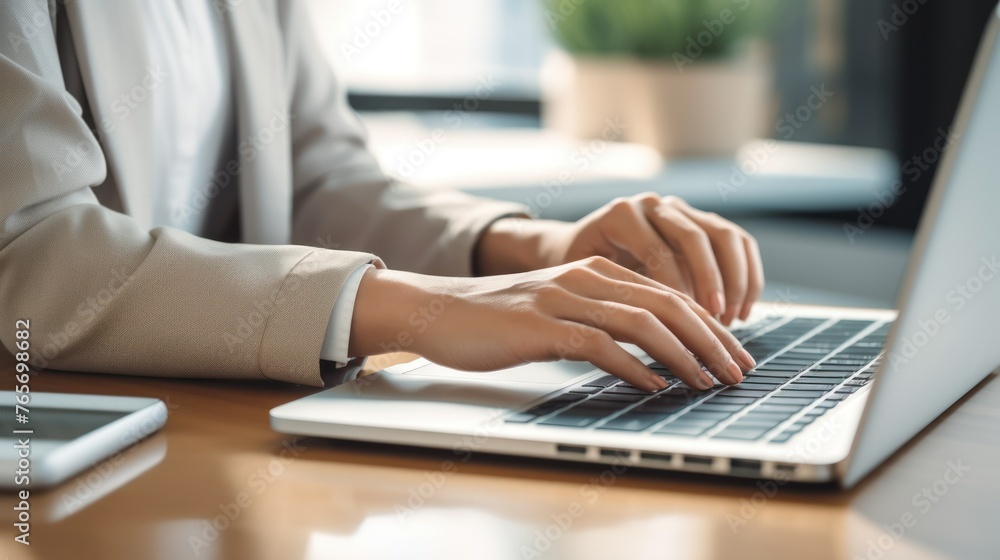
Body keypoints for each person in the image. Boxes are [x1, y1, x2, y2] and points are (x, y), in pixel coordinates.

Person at [0, 1, 762, 393]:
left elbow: (318, 179)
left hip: (218, 423)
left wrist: (539, 250)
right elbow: (37, 259)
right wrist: (423, 310)